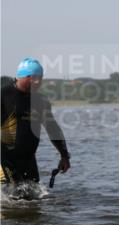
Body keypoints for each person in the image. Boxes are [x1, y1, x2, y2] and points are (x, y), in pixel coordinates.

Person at [1, 58, 71, 186]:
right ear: (21, 76)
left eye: (40, 77)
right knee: (13, 193)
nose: (37, 81)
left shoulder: (41, 100)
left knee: (33, 196)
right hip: (4, 159)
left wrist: (64, 156)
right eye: (32, 77)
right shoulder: (4, 95)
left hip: (28, 159)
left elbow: (53, 129)